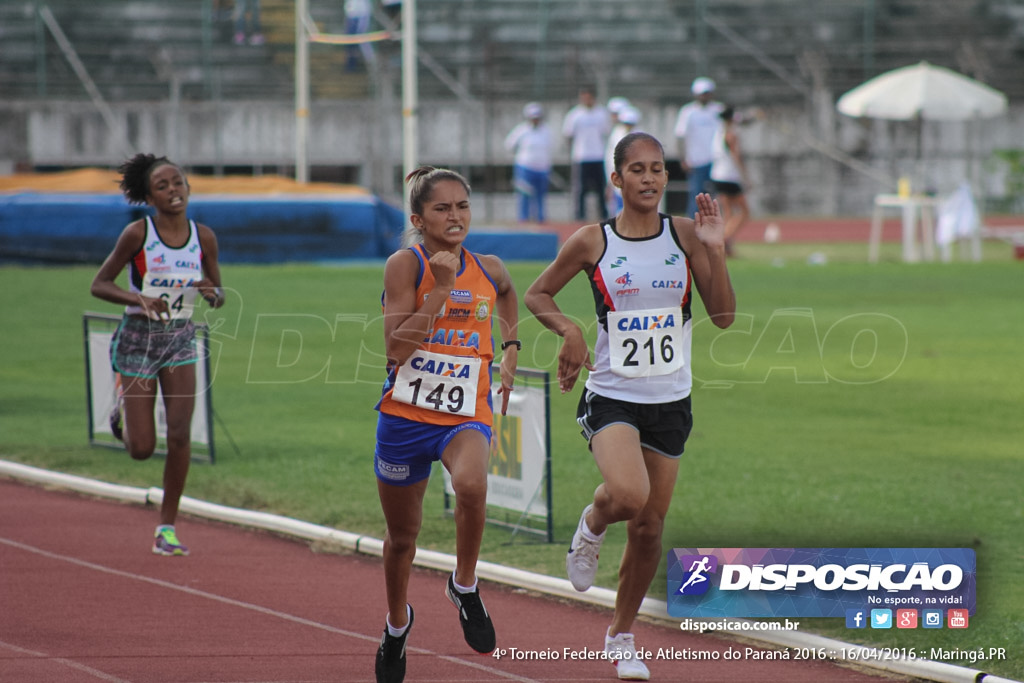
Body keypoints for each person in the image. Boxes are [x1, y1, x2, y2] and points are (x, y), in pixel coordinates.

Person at [524, 133, 735, 681]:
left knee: (648, 529)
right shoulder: (592, 241)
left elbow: (725, 317)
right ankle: (592, 523)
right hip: (613, 391)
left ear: (667, 177)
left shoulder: (684, 235)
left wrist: (714, 247)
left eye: (658, 169)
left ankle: (621, 636)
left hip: (671, 398)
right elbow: (537, 294)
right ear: (615, 179)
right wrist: (569, 330)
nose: (649, 178)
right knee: (628, 495)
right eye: (637, 169)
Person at [373, 166, 520, 683]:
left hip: (463, 413)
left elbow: (505, 292)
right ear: (418, 218)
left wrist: (510, 347)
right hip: (406, 418)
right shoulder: (403, 265)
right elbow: (395, 348)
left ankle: (464, 583)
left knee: (473, 484)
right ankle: (397, 625)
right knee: (402, 540)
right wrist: (438, 289)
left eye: (462, 206)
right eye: (442, 208)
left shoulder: (489, 266)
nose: (455, 216)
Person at [90, 153, 226, 557]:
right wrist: (138, 297)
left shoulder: (204, 237)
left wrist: (209, 292)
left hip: (181, 339)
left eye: (178, 182)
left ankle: (166, 527)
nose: (173, 191)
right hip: (137, 340)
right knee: (142, 449)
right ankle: (121, 413)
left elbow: (218, 296)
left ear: (188, 186)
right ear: (150, 196)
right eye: (163, 186)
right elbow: (99, 284)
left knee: (181, 434)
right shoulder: (137, 234)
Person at [674, 77, 724, 219]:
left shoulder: (718, 109)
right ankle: (691, 227)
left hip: (716, 160)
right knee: (696, 197)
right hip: (696, 161)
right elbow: (680, 136)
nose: (704, 96)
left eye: (707, 93)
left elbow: (736, 119)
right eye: (702, 93)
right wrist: (682, 159)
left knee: (717, 198)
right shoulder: (688, 112)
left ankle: (716, 226)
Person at [562, 86, 611, 221]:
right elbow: (568, 135)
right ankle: (579, 216)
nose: (586, 100)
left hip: (598, 155)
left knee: (601, 188)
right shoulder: (574, 115)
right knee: (580, 189)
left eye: (589, 97)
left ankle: (603, 214)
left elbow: (606, 132)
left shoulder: (601, 113)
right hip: (581, 156)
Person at [504, 102, 555, 224]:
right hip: (525, 168)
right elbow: (509, 145)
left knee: (541, 195)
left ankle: (541, 219)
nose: (535, 120)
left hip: (542, 168)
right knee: (524, 195)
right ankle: (524, 219)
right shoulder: (521, 130)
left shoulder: (546, 131)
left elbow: (551, 147)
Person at [709, 106, 751, 256]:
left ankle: (725, 245)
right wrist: (746, 178)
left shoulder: (717, 133)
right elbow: (736, 156)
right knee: (744, 212)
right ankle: (724, 240)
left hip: (717, 175)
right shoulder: (731, 135)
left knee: (727, 213)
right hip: (729, 177)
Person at [604, 105, 641, 216]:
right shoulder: (616, 134)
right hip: (618, 173)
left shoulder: (640, 135)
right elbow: (610, 157)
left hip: (634, 175)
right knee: (617, 203)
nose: (628, 126)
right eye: (626, 123)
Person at [344, 0, 375, 71]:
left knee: (361, 38)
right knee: (350, 41)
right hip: (351, 15)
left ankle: (370, 61)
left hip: (362, 14)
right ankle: (351, 64)